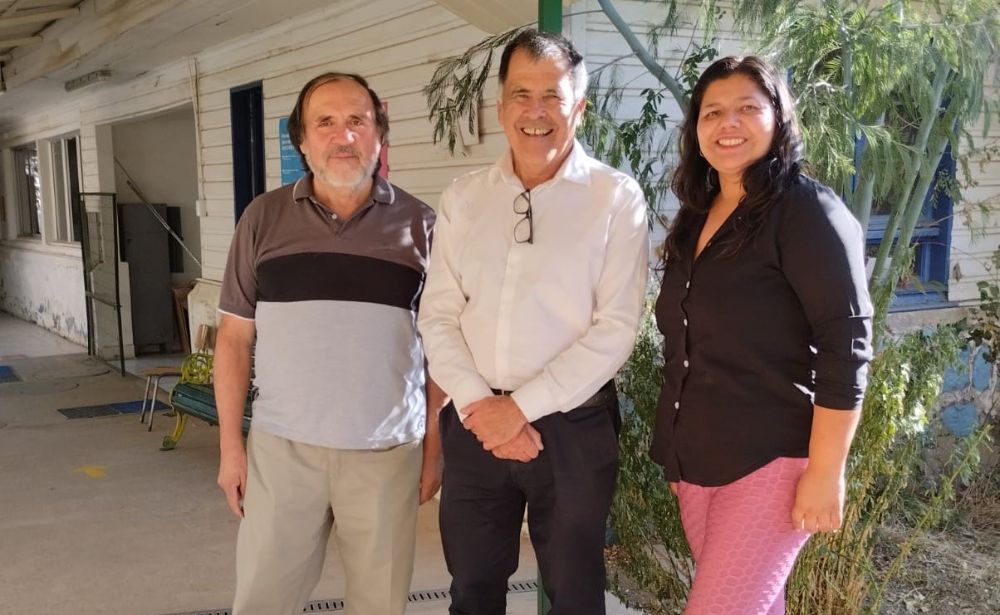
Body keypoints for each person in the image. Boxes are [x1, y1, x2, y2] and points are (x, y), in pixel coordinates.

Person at [418, 29, 650, 615]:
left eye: (553, 95)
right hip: (473, 425)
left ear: (580, 106)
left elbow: (616, 328)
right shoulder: (465, 198)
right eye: (522, 94)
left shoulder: (614, 198)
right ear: (500, 107)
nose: (536, 112)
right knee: (472, 590)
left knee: (574, 595)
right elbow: (438, 315)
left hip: (572, 428)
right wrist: (480, 406)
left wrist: (518, 410)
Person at [214, 71, 446, 615]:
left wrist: (434, 450)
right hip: (283, 452)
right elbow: (233, 340)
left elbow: (441, 351)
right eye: (326, 123)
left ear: (379, 135)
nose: (343, 137)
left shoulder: (424, 227)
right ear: (302, 140)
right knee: (262, 600)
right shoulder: (262, 220)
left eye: (357, 122)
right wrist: (231, 447)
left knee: (381, 603)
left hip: (388, 454)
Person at [650, 55, 874, 614]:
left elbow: (847, 347)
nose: (729, 124)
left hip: (769, 467)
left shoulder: (806, 211)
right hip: (695, 467)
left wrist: (826, 472)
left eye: (748, 108)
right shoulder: (698, 217)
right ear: (695, 128)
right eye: (713, 112)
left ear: (778, 118)